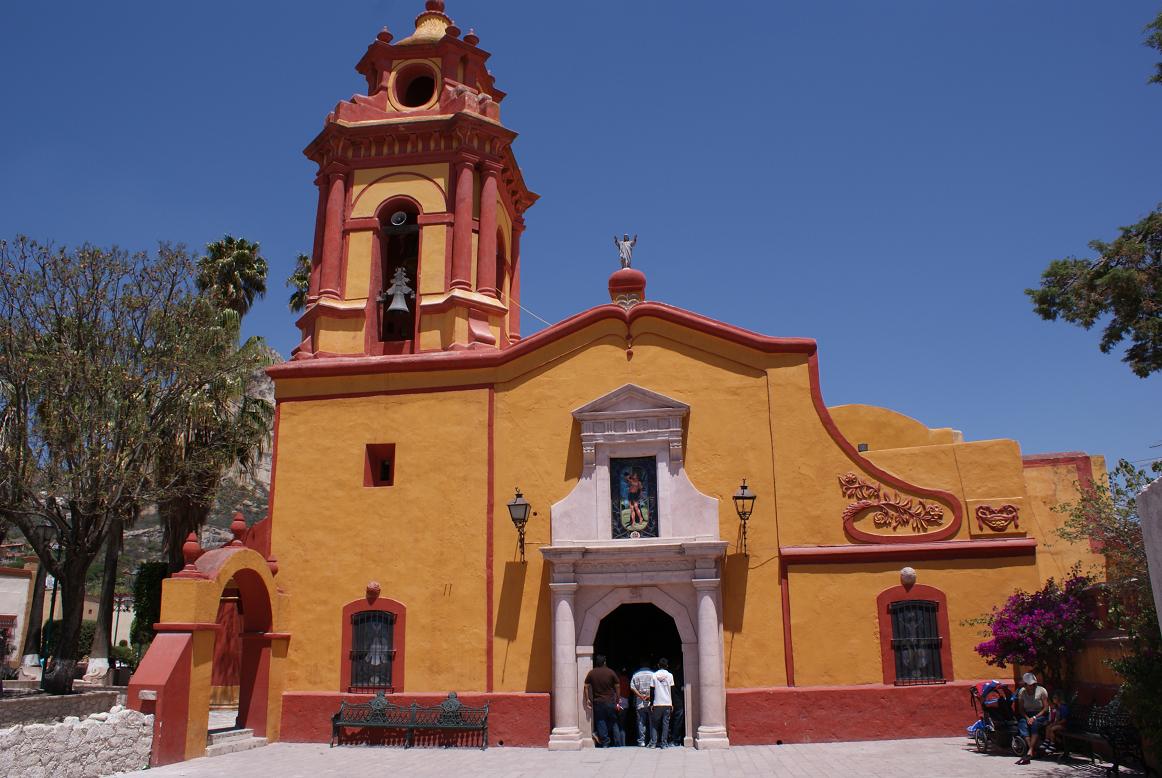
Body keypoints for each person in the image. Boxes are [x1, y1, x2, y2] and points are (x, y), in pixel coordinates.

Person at [583, 654, 620, 748]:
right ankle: (617, 742)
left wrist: (587, 699)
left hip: (598, 701)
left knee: (601, 721)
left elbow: (586, 686)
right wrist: (617, 700)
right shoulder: (611, 672)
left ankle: (605, 742)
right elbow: (617, 686)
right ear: (605, 662)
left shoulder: (592, 673)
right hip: (610, 701)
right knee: (613, 721)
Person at [1015, 672, 1050, 765]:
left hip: (1040, 714)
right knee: (1022, 724)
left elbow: (1046, 708)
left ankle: (1030, 750)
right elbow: (1021, 709)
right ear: (1026, 685)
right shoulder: (1022, 692)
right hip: (1027, 714)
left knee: (1035, 724)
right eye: (1030, 685)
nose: (1033, 686)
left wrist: (1034, 717)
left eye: (1034, 684)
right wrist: (1027, 718)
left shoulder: (1041, 691)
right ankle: (1032, 749)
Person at [650, 657, 675, 748]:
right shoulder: (670, 675)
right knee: (665, 724)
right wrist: (672, 703)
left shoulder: (654, 675)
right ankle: (664, 743)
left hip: (657, 702)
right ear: (667, 666)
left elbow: (652, 690)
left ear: (658, 665)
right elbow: (672, 690)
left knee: (655, 723)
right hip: (667, 702)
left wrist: (652, 703)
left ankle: (653, 743)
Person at [630, 659, 655, 747]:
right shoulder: (653, 674)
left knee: (641, 722)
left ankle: (641, 741)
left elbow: (632, 687)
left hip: (640, 702)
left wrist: (640, 696)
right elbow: (655, 686)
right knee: (652, 722)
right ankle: (652, 740)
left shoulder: (635, 674)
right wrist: (649, 695)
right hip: (650, 701)